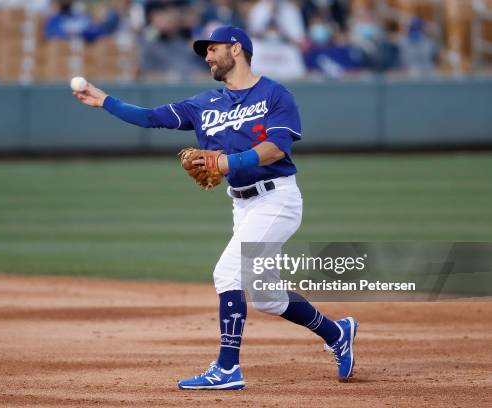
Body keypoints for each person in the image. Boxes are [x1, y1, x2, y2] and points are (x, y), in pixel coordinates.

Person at [73, 25, 358, 390]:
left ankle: (227, 369)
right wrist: (105, 101)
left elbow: (277, 147)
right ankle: (337, 333)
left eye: (213, 49)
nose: (207, 57)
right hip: (242, 206)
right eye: (205, 52)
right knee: (268, 297)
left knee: (227, 274)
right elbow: (152, 117)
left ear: (236, 49)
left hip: (278, 199)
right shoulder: (204, 104)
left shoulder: (274, 94)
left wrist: (226, 164)